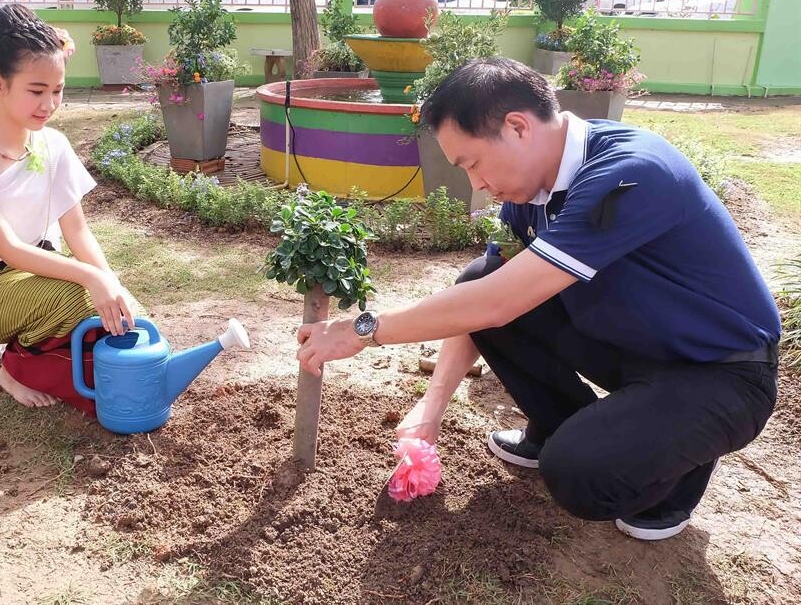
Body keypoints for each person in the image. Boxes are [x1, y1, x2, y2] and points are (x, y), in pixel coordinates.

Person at [296, 57, 779, 541]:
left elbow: (496, 303)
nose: (477, 186)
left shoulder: (631, 172)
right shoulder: (530, 195)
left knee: (578, 474)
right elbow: (481, 296)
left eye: (473, 163)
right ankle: (566, 427)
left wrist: (361, 329)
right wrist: (432, 406)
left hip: (721, 372)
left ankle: (675, 469)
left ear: (518, 127)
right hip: (641, 344)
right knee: (481, 274)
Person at [0, 4, 141, 415]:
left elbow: (77, 231)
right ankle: (15, 368)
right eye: (36, 90)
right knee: (81, 302)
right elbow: (8, 250)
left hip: (34, 272)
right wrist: (92, 280)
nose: (49, 104)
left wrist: (112, 282)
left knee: (123, 315)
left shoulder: (53, 144)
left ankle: (41, 359)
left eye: (58, 90)